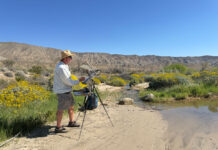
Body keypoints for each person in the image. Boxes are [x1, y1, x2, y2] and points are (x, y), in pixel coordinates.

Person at [53, 50, 85, 133]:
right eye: (70, 57)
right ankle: (58, 127)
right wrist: (79, 80)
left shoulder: (64, 66)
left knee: (71, 106)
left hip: (66, 90)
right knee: (61, 109)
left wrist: (77, 80)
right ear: (65, 58)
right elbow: (68, 81)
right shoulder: (61, 68)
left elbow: (69, 79)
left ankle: (71, 122)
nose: (71, 59)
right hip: (63, 91)